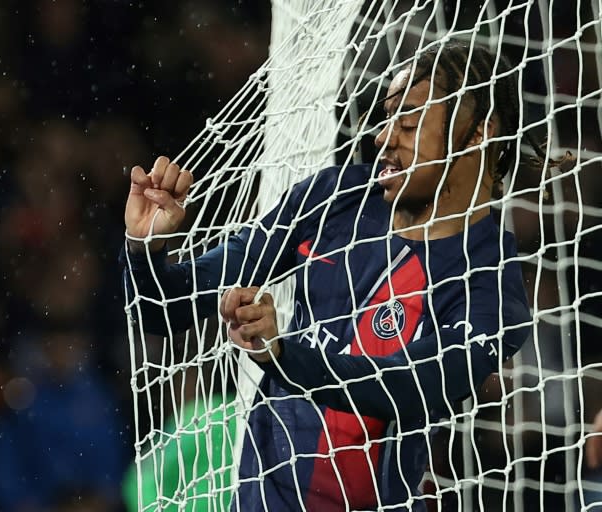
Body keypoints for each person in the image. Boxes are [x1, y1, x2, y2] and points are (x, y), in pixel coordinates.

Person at [123, 43, 553, 510]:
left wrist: (284, 355)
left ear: (478, 134)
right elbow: (164, 311)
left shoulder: (490, 282)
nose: (384, 138)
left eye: (408, 121)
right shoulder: (335, 197)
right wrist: (145, 248)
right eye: (386, 119)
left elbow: (409, 386)